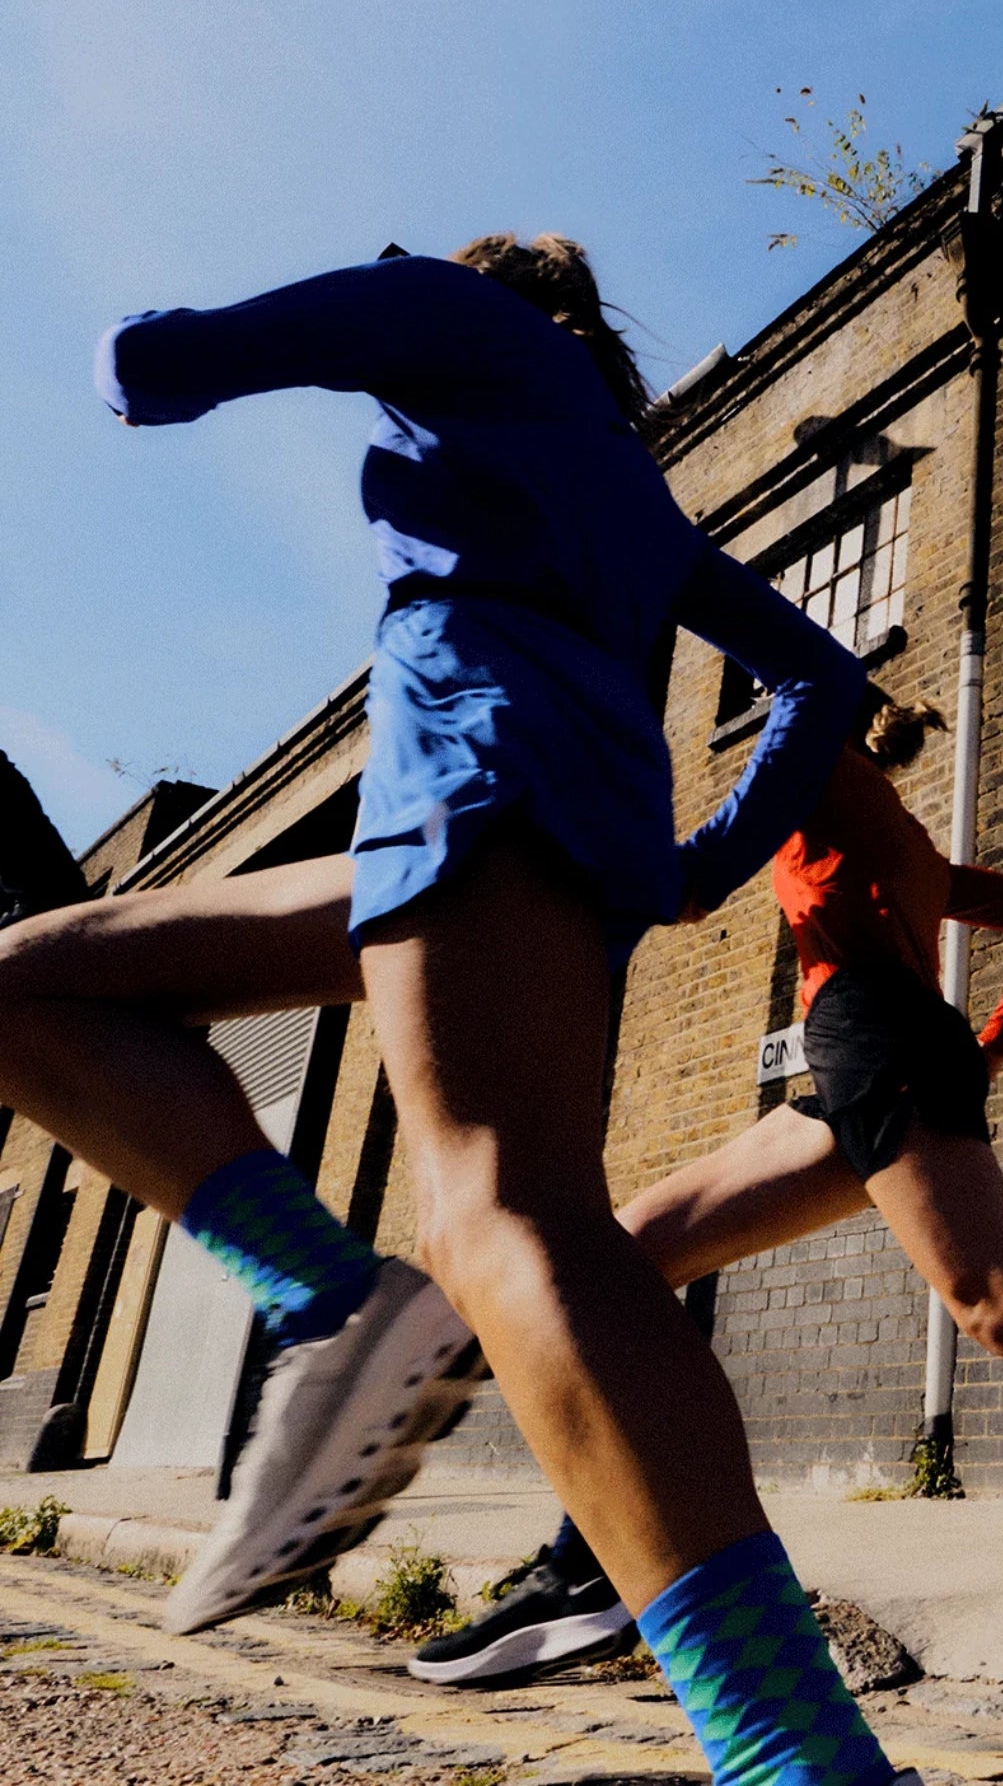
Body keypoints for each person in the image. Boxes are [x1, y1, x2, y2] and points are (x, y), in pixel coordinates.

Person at [0, 236, 922, 1786]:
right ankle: (325, 1296)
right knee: (29, 978)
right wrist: (694, 866)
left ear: (494, 284)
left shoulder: (454, 315)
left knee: (512, 1225)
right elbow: (824, 678)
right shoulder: (635, 486)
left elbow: (155, 366)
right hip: (534, 836)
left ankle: (800, 1760)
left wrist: (135, 350)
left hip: (475, 795)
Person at [411, 694, 1003, 1762]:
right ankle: (588, 1556)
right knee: (626, 1252)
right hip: (860, 1057)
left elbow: (698, 874)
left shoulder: (818, 776)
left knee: (999, 1304)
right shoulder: (900, 841)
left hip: (873, 1038)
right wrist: (991, 1045)